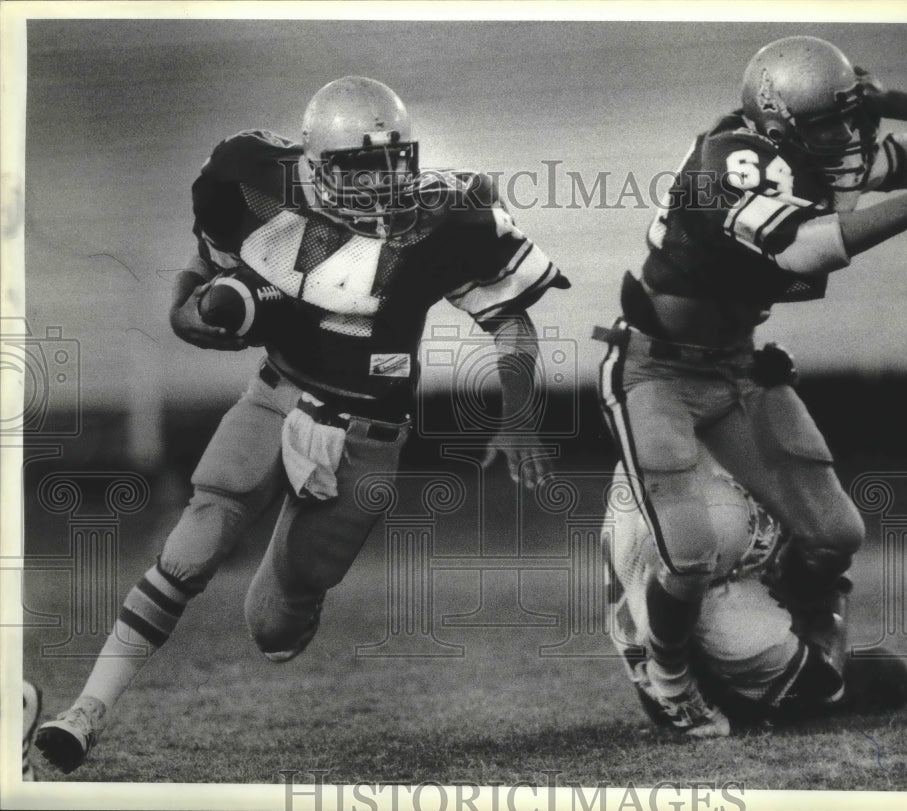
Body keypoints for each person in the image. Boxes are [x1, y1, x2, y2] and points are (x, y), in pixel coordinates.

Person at [36, 76, 568, 773]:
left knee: (275, 625)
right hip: (279, 391)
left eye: (393, 163)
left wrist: (519, 415)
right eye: (359, 168)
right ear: (316, 167)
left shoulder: (446, 221)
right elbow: (200, 278)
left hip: (368, 433)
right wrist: (195, 313)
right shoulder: (256, 186)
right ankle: (86, 712)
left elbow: (510, 320)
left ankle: (288, 580)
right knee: (196, 538)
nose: (380, 184)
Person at [594, 35, 907, 737]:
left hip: (738, 365)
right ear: (775, 120)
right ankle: (669, 677)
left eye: (856, 118)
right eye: (834, 122)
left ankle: (787, 632)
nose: (854, 138)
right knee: (689, 553)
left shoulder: (827, 152)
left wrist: (893, 100)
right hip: (657, 368)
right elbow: (800, 244)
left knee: (835, 534)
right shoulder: (730, 157)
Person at [603, 459, 907, 729]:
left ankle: (678, 679)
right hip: (675, 617)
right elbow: (673, 579)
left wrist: (827, 615)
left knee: (831, 533)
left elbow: (831, 547)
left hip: (705, 583)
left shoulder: (754, 435)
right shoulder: (698, 491)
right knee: (832, 681)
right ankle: (677, 685)